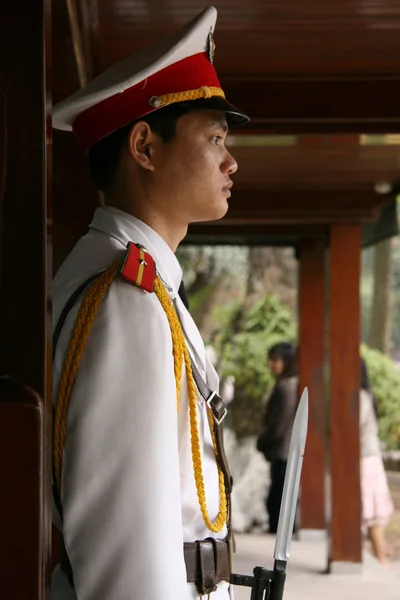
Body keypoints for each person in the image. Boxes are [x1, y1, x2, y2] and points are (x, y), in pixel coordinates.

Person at [51, 7, 249, 600]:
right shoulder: (126, 300)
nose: (230, 161)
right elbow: (126, 556)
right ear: (144, 146)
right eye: (214, 138)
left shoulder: (139, 285)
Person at [256, 342, 298, 534]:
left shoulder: (287, 387)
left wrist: (264, 441)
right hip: (283, 449)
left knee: (278, 496)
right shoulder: (287, 384)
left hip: (284, 450)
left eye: (275, 360)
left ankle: (276, 531)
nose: (271, 365)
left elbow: (278, 424)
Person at [360, 358, 394, 566]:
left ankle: (380, 560)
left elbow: (353, 428)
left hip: (365, 460)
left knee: (370, 515)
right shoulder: (364, 395)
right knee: (371, 515)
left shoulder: (361, 397)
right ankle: (379, 559)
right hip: (367, 459)